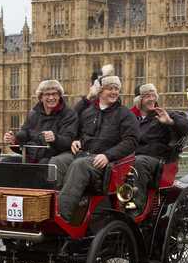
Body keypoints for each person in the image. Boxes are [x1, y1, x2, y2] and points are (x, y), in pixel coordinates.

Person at [49, 74, 139, 222]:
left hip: (105, 163)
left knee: (79, 166)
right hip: (83, 154)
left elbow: (131, 141)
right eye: (110, 88)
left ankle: (62, 216)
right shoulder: (88, 112)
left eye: (116, 89)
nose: (114, 92)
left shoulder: (125, 114)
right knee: (56, 162)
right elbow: (71, 123)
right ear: (100, 92)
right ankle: (51, 207)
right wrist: (75, 140)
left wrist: (108, 155)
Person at [130, 83, 188, 209]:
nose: (152, 99)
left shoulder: (164, 114)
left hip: (156, 160)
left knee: (138, 162)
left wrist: (170, 122)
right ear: (139, 100)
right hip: (131, 157)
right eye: (147, 96)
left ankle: (137, 207)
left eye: (153, 95)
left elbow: (186, 127)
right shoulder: (130, 118)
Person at [2, 80, 78, 163]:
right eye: (47, 94)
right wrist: (14, 141)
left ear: (59, 96)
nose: (51, 97)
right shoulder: (33, 114)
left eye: (54, 94)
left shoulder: (69, 114)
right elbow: (24, 139)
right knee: (5, 162)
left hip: (54, 158)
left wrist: (55, 138)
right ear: (41, 98)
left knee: (42, 165)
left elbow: (69, 141)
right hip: (32, 157)